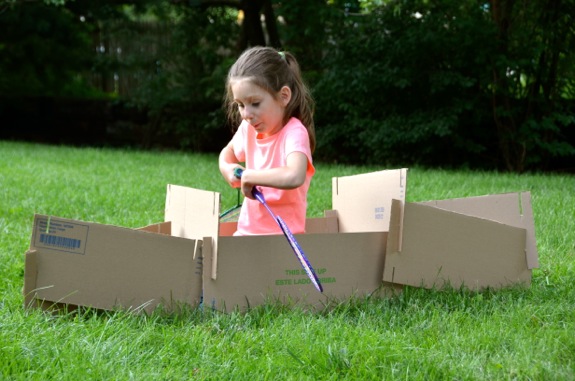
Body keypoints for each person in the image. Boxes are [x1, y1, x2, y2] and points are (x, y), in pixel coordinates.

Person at [219, 46, 316, 236]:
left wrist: (249, 176)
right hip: (247, 232)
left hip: (285, 239)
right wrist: (227, 169)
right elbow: (227, 154)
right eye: (240, 105)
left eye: (255, 103)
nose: (246, 114)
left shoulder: (294, 132)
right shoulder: (248, 128)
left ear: (283, 96)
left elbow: (294, 175)